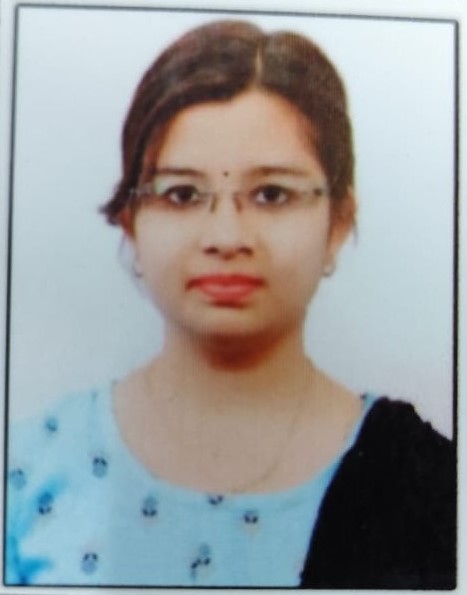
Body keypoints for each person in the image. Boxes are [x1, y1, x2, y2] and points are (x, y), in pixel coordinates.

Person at [6, 19, 455, 588]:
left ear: (339, 223)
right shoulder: (28, 475)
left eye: (272, 194)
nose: (226, 236)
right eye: (182, 194)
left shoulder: (427, 487)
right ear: (131, 221)